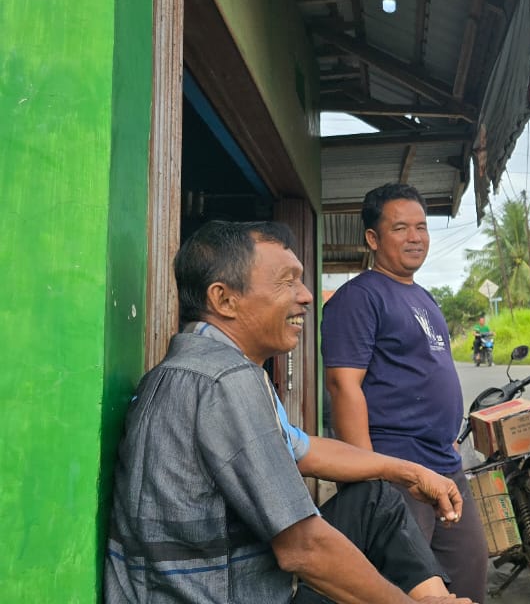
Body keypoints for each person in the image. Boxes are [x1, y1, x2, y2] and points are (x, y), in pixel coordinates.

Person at [105, 220, 470, 604]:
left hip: (214, 582)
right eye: (287, 281)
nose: (307, 296)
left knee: (374, 499)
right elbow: (303, 548)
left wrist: (407, 470)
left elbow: (301, 448)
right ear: (224, 299)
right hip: (226, 594)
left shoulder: (193, 366)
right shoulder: (226, 381)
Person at [322, 183, 488, 602]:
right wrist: (370, 475)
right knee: (406, 590)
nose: (415, 237)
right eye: (400, 228)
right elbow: (344, 386)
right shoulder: (358, 298)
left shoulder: (422, 296)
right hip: (395, 469)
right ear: (373, 239)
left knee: (468, 575)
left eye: (421, 227)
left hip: (443, 464)